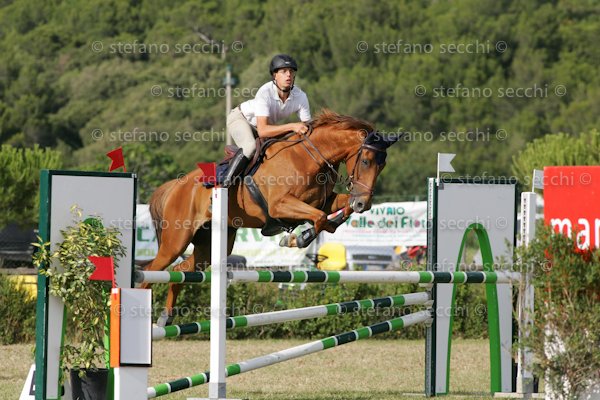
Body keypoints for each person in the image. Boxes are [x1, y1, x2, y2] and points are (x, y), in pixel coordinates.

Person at [223, 54, 311, 187]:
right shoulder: (265, 92)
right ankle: (224, 186)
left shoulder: (301, 96)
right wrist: (292, 126)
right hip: (240, 118)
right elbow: (263, 131)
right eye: (283, 71)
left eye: (291, 71)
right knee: (250, 147)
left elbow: (308, 128)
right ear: (275, 75)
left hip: (263, 126)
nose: (288, 75)